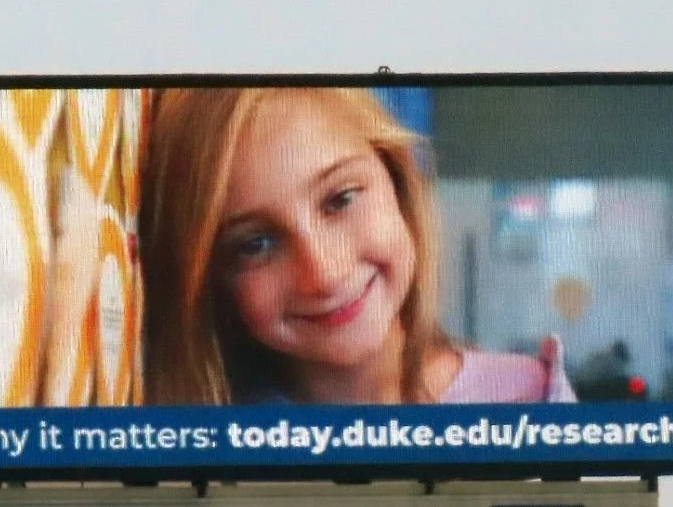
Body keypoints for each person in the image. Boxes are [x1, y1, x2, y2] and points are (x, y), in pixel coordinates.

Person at [138, 86, 575, 406]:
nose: (323, 273)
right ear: (211, 279)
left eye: (340, 199)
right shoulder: (208, 435)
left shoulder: (534, 403)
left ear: (398, 182)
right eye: (256, 244)